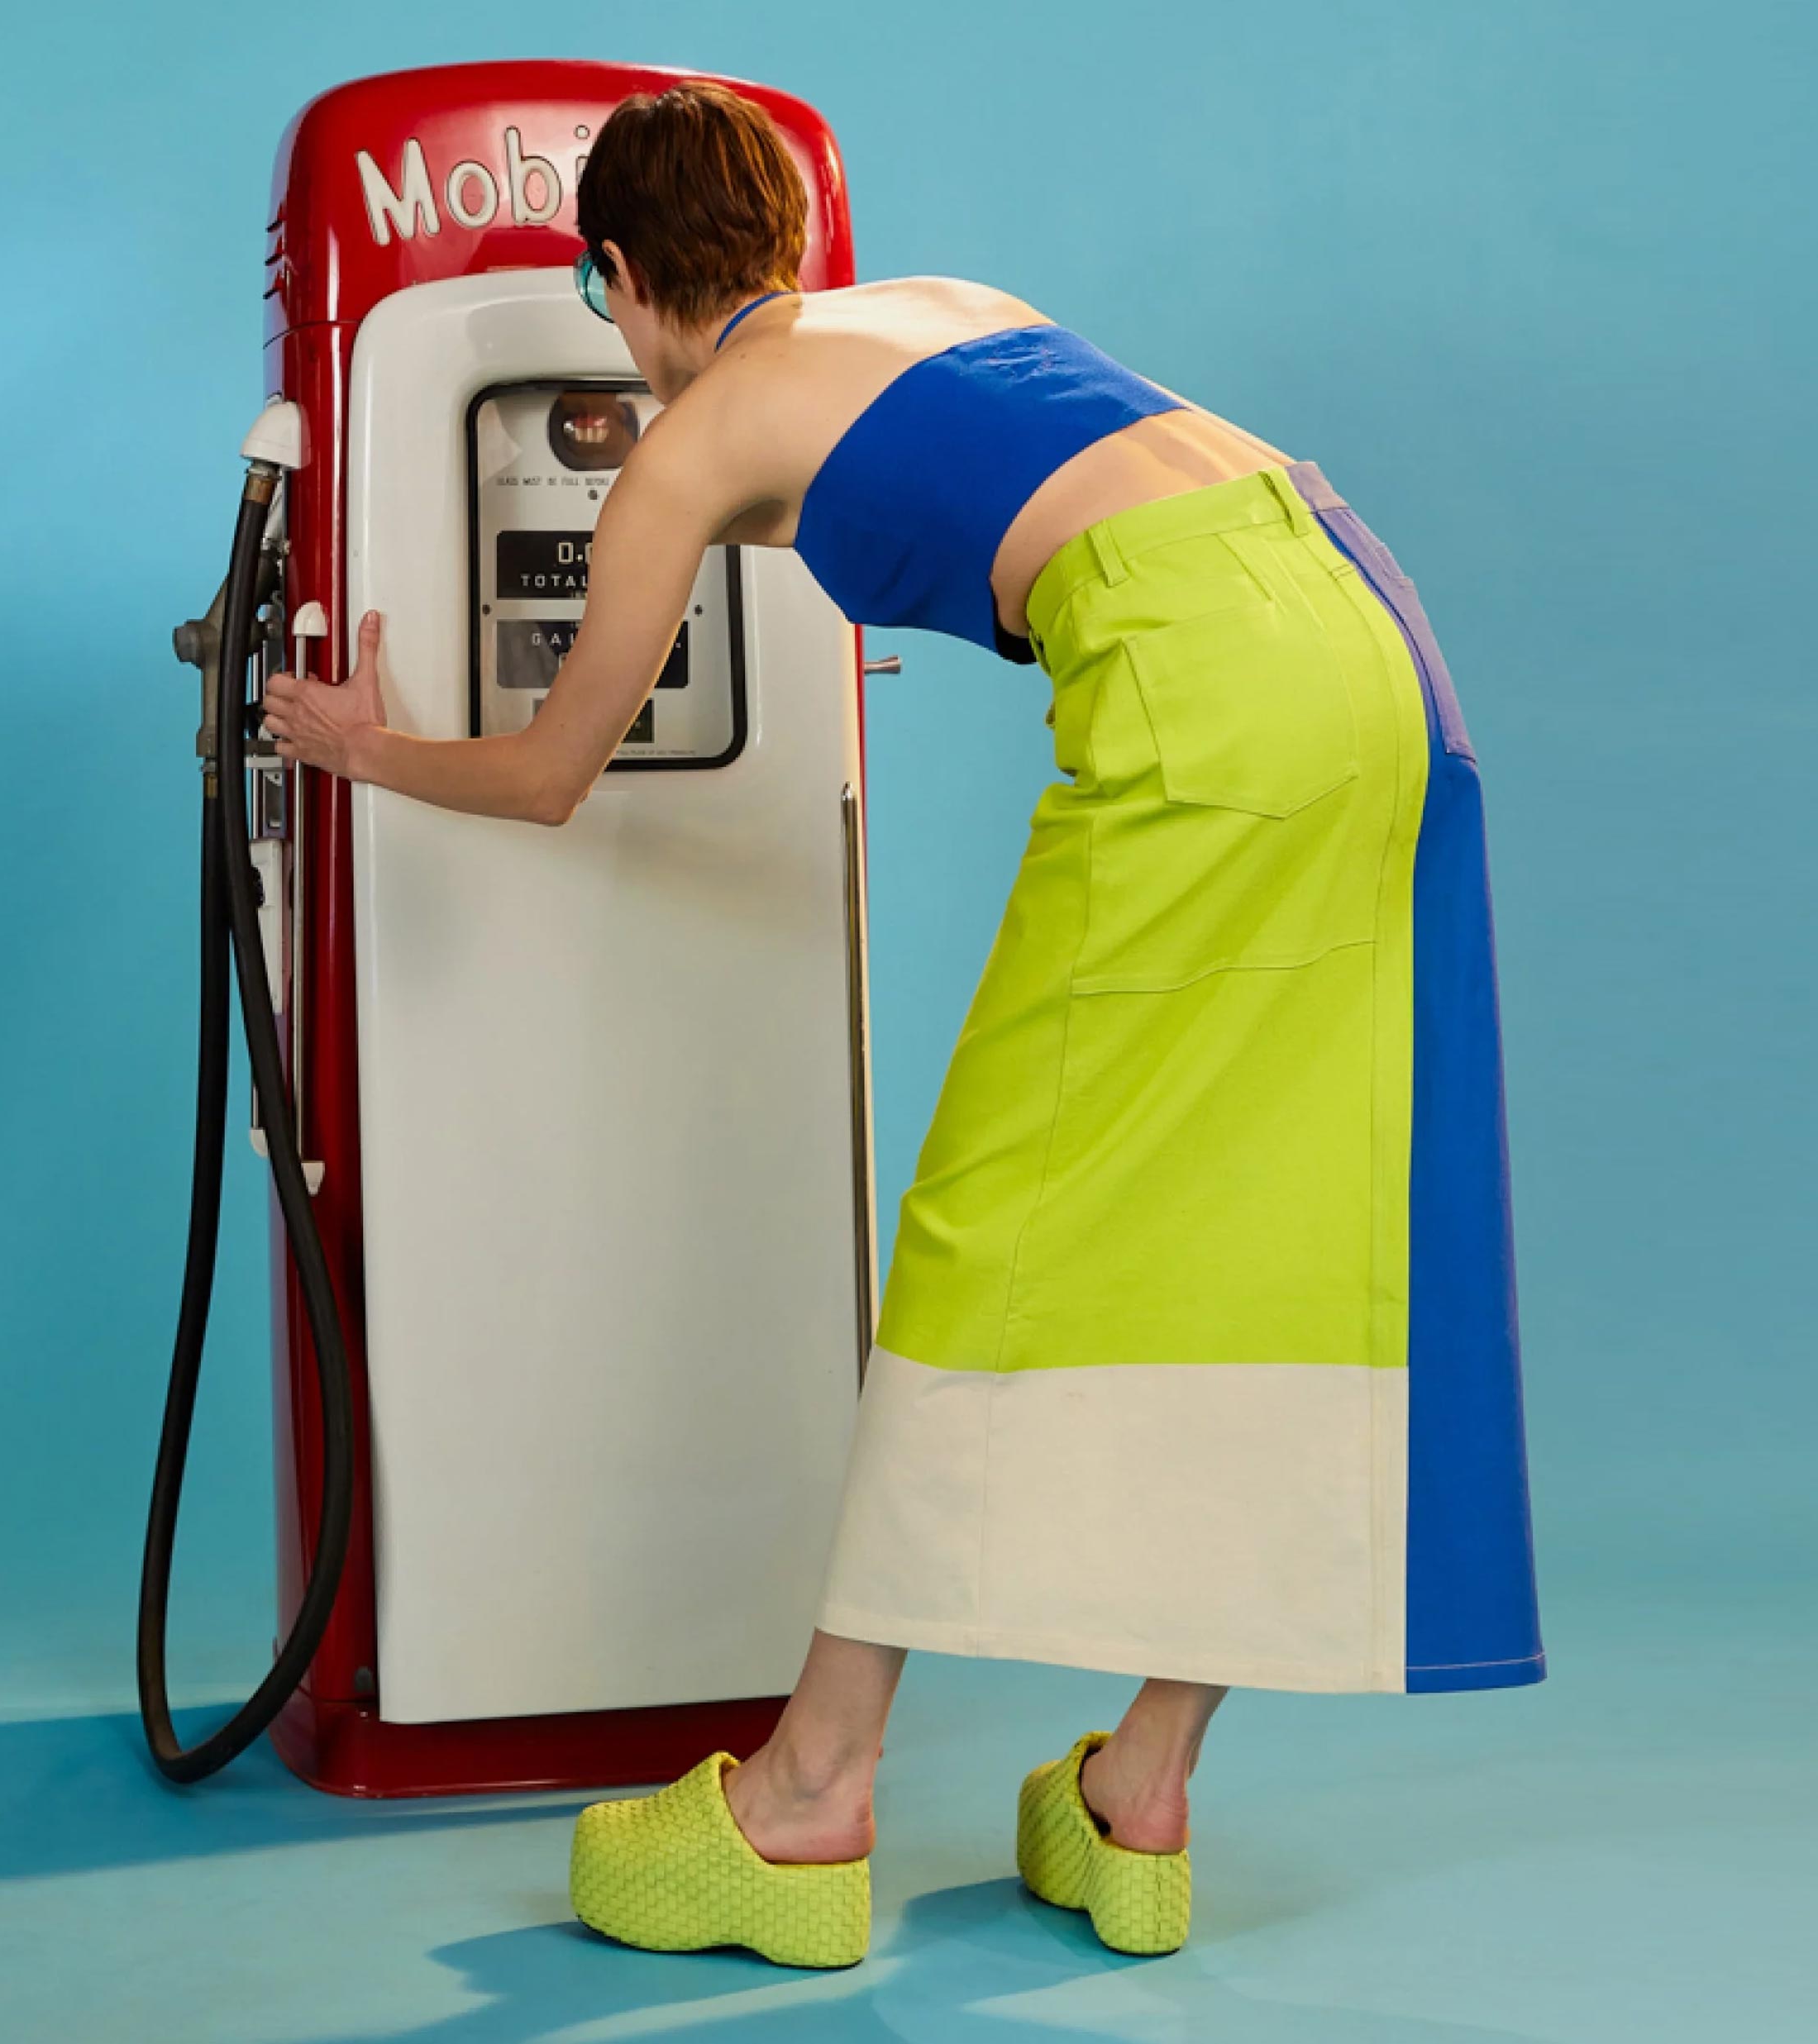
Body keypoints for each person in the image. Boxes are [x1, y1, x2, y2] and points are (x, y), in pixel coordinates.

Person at [260, 79, 1544, 1970]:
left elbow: (551, 769)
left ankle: (801, 1800)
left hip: (1209, 691)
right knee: (1287, 1232)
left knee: (984, 1219)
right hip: (1365, 623)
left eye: (610, 309)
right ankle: (1141, 1793)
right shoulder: (945, 303)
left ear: (614, 273)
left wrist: (362, 748)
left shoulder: (689, 445)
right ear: (784, 242)